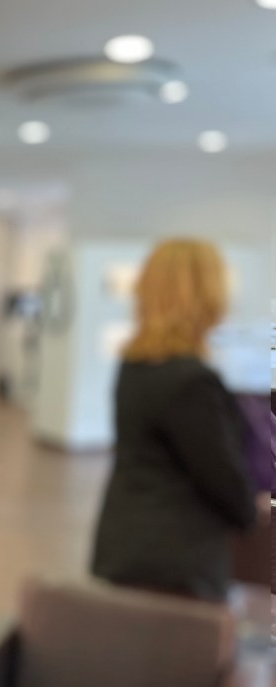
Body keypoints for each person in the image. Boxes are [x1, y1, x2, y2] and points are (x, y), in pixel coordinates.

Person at [91, 237, 258, 600]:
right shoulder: (191, 382)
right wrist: (251, 513)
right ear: (204, 295)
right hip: (175, 563)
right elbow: (223, 480)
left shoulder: (136, 365)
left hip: (127, 543)